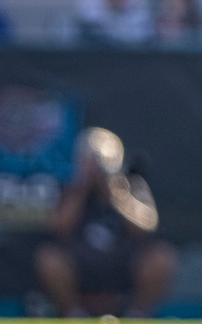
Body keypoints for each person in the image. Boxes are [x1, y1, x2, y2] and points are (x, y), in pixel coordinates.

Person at [35, 128, 176, 317]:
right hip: (81, 266)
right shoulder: (68, 187)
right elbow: (59, 228)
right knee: (48, 258)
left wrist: (116, 194)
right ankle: (75, 316)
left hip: (123, 265)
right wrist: (82, 187)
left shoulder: (133, 185)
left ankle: (137, 315)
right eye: (91, 159)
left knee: (163, 257)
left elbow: (146, 227)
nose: (98, 165)